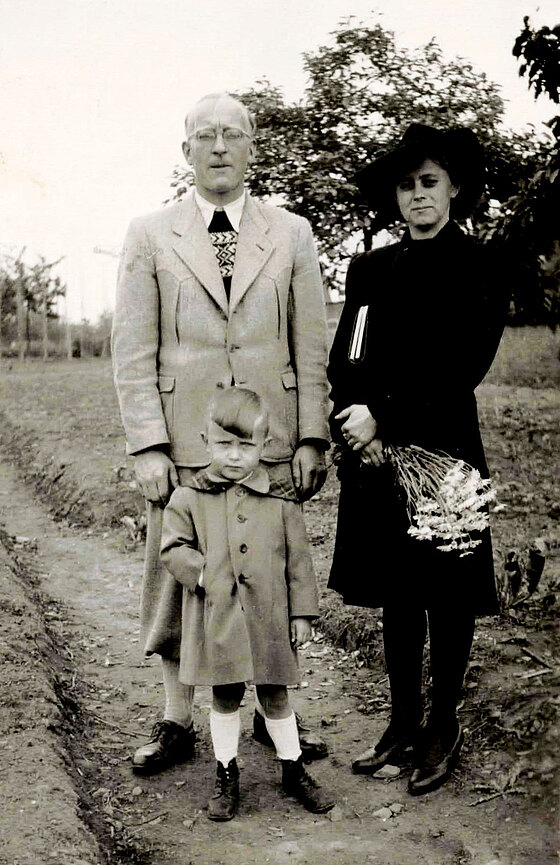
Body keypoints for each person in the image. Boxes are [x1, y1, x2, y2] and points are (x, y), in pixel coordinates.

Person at [111, 92, 330, 775]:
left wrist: (312, 435)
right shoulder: (150, 234)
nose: (217, 146)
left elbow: (310, 342)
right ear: (185, 152)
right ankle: (177, 719)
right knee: (183, 575)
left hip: (266, 437)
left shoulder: (291, 233)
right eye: (203, 136)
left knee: (264, 576)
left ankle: (271, 714)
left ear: (251, 148)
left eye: (231, 134)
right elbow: (131, 348)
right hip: (183, 440)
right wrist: (148, 444)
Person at [327, 123, 508, 796]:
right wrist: (352, 421)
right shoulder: (371, 270)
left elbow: (462, 366)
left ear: (454, 186)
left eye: (429, 182)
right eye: (406, 185)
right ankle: (401, 721)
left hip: (446, 454)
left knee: (446, 592)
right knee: (398, 592)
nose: (418, 196)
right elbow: (347, 359)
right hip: (376, 459)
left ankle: (443, 723)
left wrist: (386, 415)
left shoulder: (479, 266)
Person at [160, 387, 335, 820]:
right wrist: (203, 572)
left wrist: (302, 614)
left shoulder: (281, 502)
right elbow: (171, 548)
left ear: (265, 445)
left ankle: (292, 769)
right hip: (220, 618)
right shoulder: (189, 497)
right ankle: (226, 771)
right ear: (205, 442)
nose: (235, 456)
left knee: (275, 695)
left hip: (269, 618)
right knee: (225, 695)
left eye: (246, 445)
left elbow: (299, 563)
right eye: (224, 444)